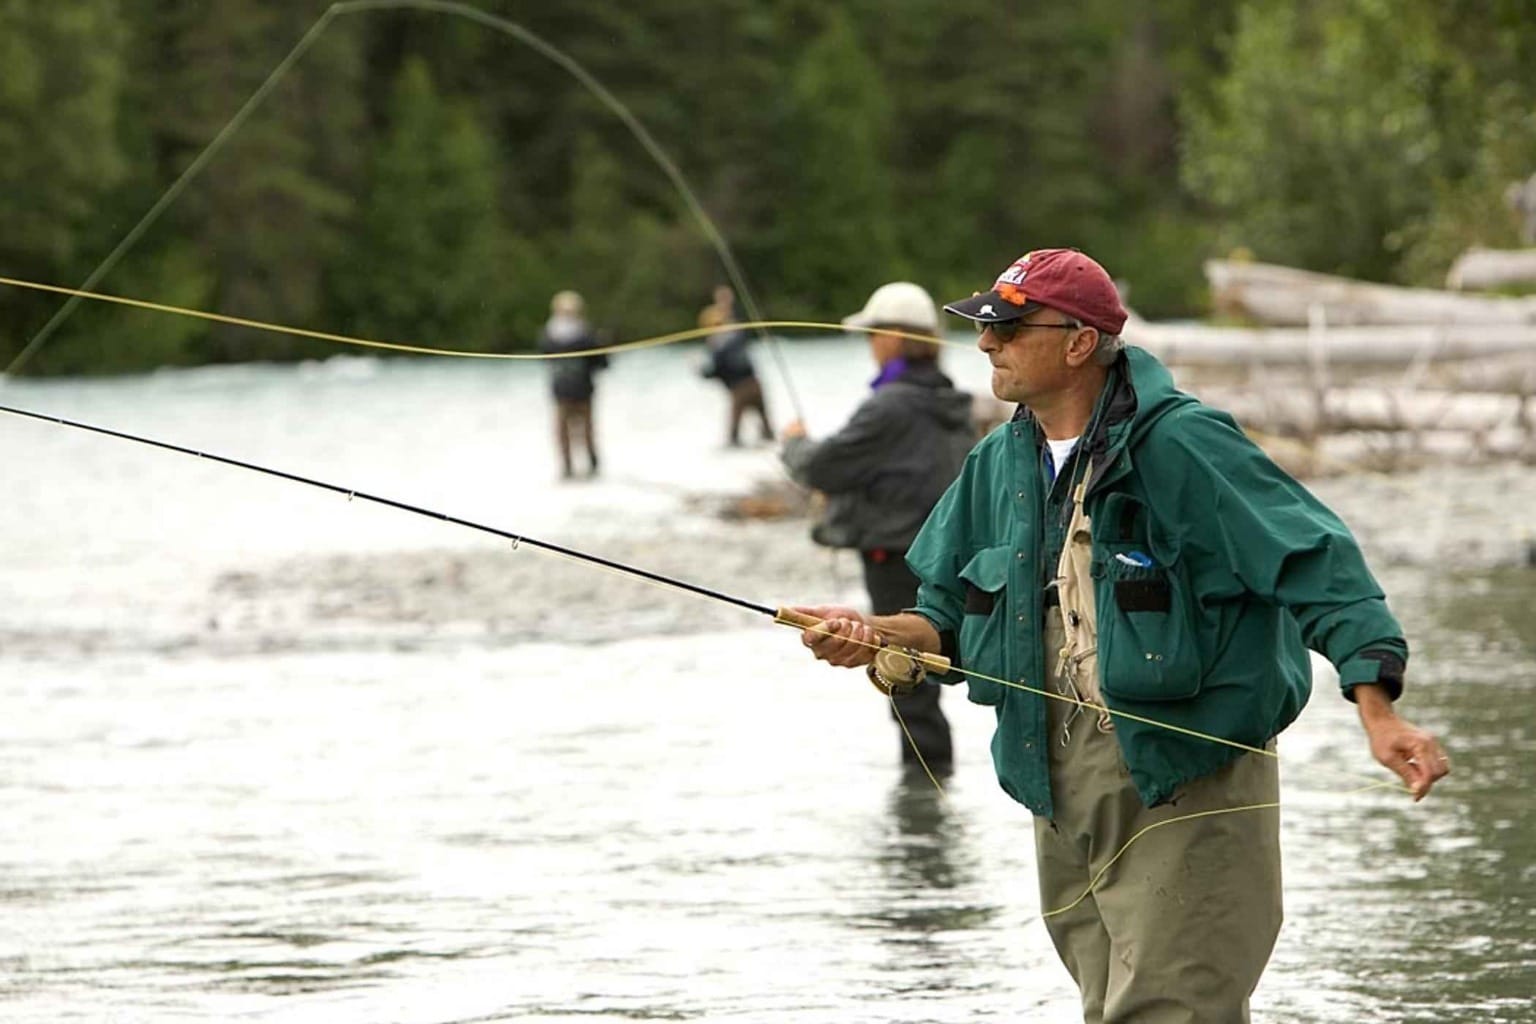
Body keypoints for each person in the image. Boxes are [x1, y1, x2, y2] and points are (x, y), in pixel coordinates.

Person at [790, 248, 1450, 1022]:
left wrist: (1377, 709)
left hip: (1187, 780)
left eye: (1006, 328)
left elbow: (1317, 566)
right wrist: (869, 635)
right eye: (983, 327)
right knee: (1108, 1009)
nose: (985, 344)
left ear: (1078, 342)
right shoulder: (996, 464)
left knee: (1173, 1011)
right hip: (1056, 787)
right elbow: (940, 619)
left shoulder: (1189, 445)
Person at [779, 282, 974, 772]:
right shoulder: (947, 399)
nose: (870, 346)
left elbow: (823, 467)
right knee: (924, 675)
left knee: (903, 676)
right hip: (942, 555)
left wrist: (794, 444)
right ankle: (931, 793)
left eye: (872, 336)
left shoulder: (890, 404)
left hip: (894, 554)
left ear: (892, 337)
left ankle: (921, 793)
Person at [538, 290, 608, 479]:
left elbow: (601, 363)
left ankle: (583, 469)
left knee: (578, 433)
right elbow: (602, 364)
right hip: (569, 392)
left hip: (574, 391)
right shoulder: (587, 335)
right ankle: (576, 469)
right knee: (574, 433)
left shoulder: (548, 335)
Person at [698, 284, 773, 446]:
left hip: (740, 391)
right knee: (768, 431)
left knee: (733, 439)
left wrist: (698, 369)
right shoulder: (734, 336)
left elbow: (714, 372)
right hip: (755, 385)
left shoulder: (723, 342)